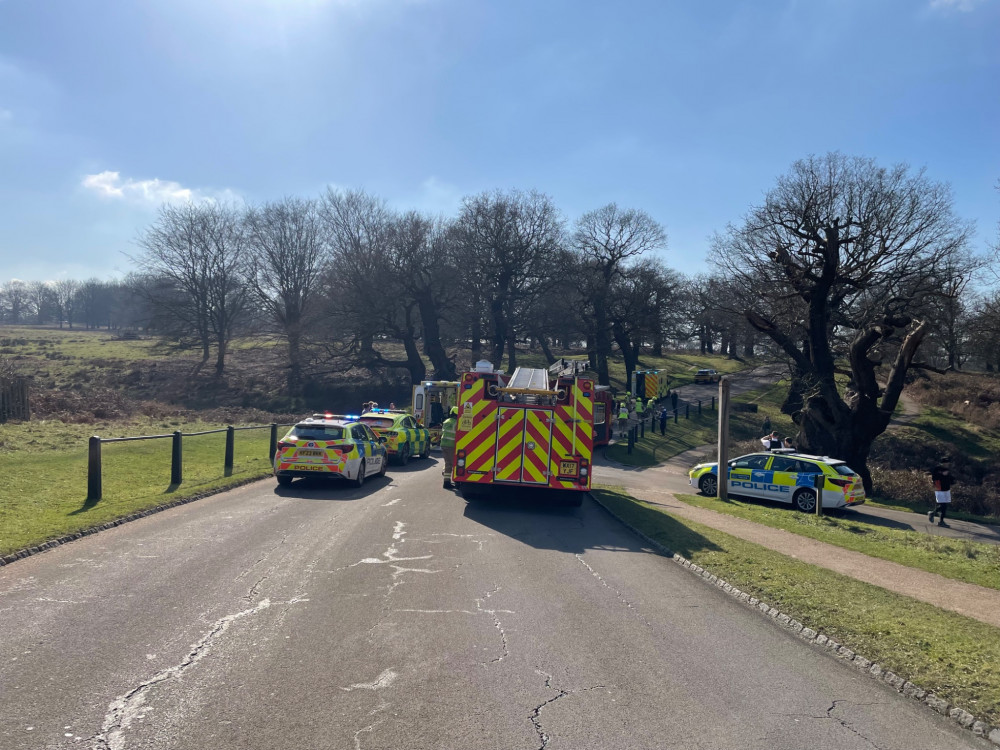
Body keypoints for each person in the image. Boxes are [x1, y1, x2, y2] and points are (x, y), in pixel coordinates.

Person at [928, 456, 954, 527]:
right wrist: (942, 474)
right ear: (941, 463)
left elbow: (950, 479)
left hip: (946, 489)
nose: (946, 464)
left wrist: (952, 481)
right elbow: (934, 478)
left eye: (947, 462)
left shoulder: (947, 469)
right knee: (943, 506)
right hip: (939, 489)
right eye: (945, 463)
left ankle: (932, 513)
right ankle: (941, 522)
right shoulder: (937, 469)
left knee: (944, 506)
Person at [441, 406, 458, 489]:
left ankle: (446, 479)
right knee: (452, 464)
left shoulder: (446, 421)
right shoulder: (456, 423)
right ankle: (451, 482)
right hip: (451, 445)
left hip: (443, 444)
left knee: (447, 462)